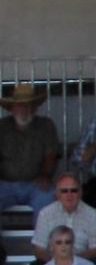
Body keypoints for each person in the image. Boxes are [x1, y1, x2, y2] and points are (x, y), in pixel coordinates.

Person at [0, 83, 62, 211]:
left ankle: (44, 232)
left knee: (48, 200)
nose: (25, 109)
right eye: (20, 105)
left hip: (36, 184)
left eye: (29, 105)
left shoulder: (46, 125)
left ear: (35, 107)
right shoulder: (2, 127)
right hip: (4, 184)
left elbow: (51, 156)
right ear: (11, 108)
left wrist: (45, 175)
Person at [32, 172, 96, 265]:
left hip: (83, 264)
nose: (69, 194)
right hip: (52, 264)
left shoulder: (92, 214)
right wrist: (56, 264)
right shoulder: (45, 214)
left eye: (73, 190)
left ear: (80, 193)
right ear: (57, 194)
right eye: (64, 191)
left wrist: (72, 261)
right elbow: (39, 249)